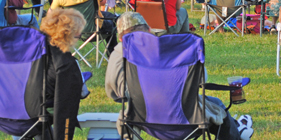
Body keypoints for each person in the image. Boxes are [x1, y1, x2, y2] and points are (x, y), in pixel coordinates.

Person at [105, 12, 254, 140]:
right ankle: (237, 132)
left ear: (120, 39)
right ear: (149, 30)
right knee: (216, 107)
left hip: (141, 117)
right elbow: (202, 79)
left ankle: (238, 128)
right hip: (187, 118)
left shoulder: (119, 53)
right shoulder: (171, 49)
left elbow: (114, 93)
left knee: (213, 104)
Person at [40, 8, 86, 140]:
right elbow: (66, 106)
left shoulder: (34, 51)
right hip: (44, 113)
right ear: (68, 35)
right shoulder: (66, 64)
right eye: (78, 35)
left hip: (18, 110)